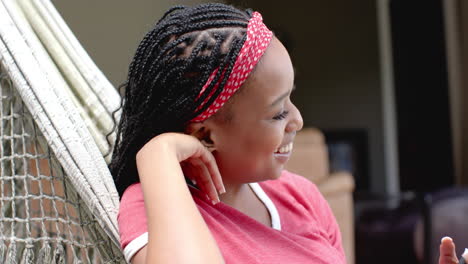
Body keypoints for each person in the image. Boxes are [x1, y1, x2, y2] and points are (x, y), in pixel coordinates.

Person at [110, 3, 462, 264]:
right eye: (278, 111)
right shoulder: (151, 204)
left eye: (291, 99)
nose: (297, 119)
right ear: (205, 134)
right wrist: (158, 153)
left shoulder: (301, 196)